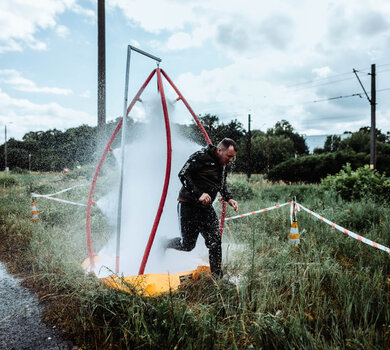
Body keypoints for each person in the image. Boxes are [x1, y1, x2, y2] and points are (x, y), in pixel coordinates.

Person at [166, 138, 239, 278]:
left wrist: (229, 198)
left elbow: (221, 184)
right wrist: (198, 193)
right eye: (229, 156)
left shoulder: (222, 165)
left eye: (233, 158)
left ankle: (217, 278)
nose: (230, 160)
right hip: (188, 205)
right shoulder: (200, 156)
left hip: (206, 208)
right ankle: (163, 243)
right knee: (187, 245)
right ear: (219, 150)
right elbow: (183, 174)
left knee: (215, 242)